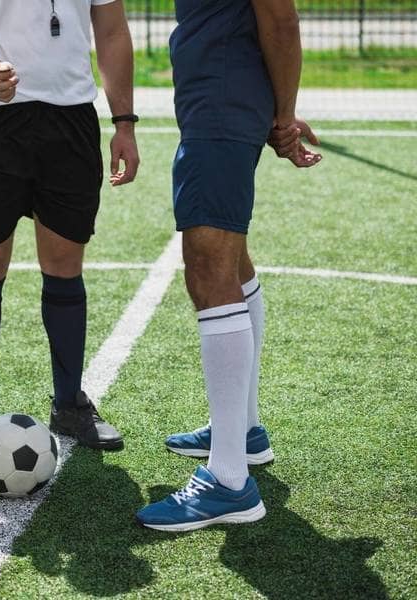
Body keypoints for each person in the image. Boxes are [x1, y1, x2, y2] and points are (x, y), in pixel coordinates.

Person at [136, 0, 322, 531]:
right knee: (231, 259)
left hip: (222, 102)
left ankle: (229, 481)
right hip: (219, 101)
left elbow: (279, 19)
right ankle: (242, 431)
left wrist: (283, 115)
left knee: (209, 266)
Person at [0, 0, 140, 460]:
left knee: (65, 265)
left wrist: (124, 123)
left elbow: (111, 32)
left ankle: (69, 404)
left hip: (71, 121)